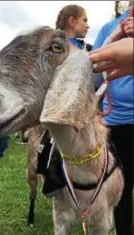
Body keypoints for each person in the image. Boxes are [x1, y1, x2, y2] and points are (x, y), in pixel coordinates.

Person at [37, 4, 90, 197]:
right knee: (56, 147)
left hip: (84, 112)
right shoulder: (55, 49)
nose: (87, 25)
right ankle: (53, 180)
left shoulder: (84, 48)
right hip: (61, 111)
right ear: (72, 21)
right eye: (85, 20)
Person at [91, 1, 133, 235]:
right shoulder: (109, 28)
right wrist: (114, 41)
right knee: (121, 191)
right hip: (116, 125)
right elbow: (94, 75)